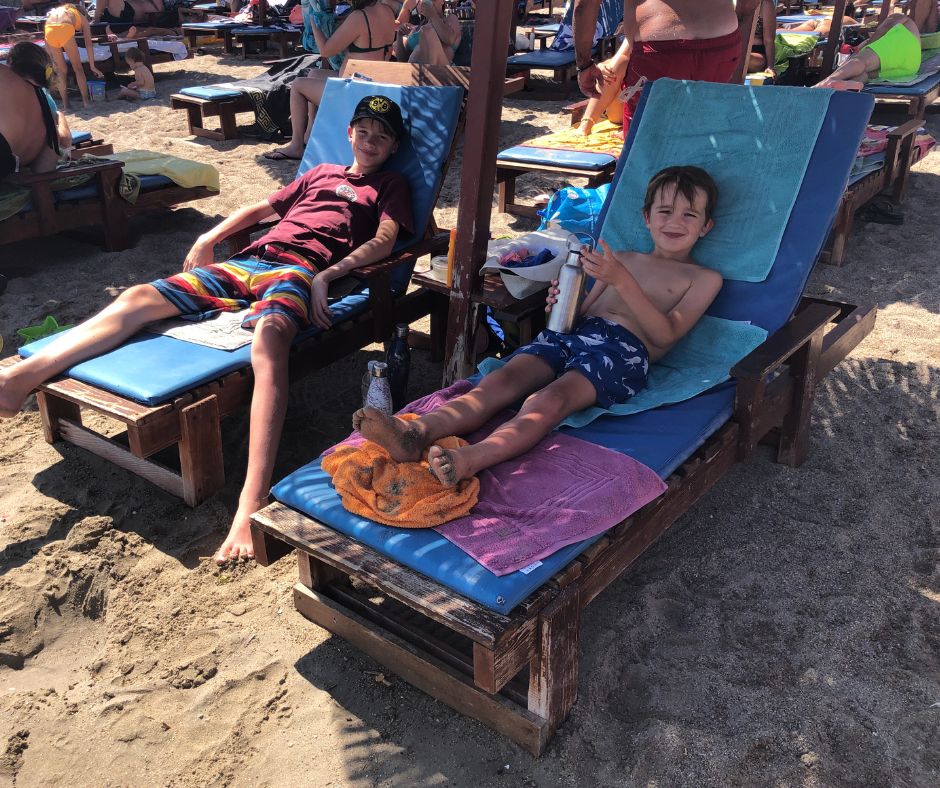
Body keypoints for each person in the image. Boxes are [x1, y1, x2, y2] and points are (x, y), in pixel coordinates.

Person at [0, 95, 414, 563]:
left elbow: (385, 239)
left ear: (394, 145)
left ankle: (250, 500)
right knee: (137, 297)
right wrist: (208, 236)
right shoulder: (319, 174)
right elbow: (261, 210)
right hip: (248, 261)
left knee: (271, 338)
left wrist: (329, 275)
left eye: (382, 136)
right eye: (364, 131)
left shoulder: (390, 184)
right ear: (349, 133)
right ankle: (19, 380)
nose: (371, 141)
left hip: (299, 271)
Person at [354, 165, 723, 487]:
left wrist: (623, 281)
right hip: (575, 335)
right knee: (501, 381)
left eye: (690, 215)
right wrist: (560, 306)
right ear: (646, 217)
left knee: (548, 400)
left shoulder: (703, 278)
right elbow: (578, 315)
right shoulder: (622, 258)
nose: (675, 222)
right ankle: (415, 433)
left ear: (706, 226)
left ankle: (472, 459)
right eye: (665, 210)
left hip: (623, 353)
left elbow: (665, 335)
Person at [572, 0, 757, 132]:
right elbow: (748, 5)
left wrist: (584, 64)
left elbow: (584, 6)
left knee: (645, 147)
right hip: (722, 38)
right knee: (707, 129)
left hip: (660, 44)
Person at [264, 0, 397, 161]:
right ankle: (310, 135)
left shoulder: (359, 16)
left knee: (298, 85)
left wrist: (313, 21)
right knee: (313, 73)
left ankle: (296, 145)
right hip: (374, 83)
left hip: (355, 90)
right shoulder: (387, 12)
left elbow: (326, 50)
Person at [1, 42, 69, 178]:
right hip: (9, 165)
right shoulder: (47, 110)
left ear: (11, 62)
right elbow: (44, 170)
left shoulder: (5, 76)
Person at [816, 13, 921, 87]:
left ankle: (825, 84)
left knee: (861, 61)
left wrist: (861, 51)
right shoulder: (898, 34)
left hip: (905, 43)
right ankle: (843, 88)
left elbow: (884, 28)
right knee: (865, 74)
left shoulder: (896, 17)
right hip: (911, 65)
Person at [43, 3, 104, 109]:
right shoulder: (82, 17)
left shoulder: (59, 11)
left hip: (49, 29)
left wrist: (51, 60)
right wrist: (92, 66)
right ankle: (86, 102)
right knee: (78, 69)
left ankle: (66, 104)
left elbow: (46, 41)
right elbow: (88, 43)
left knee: (61, 71)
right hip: (64, 28)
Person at [393, 0, 461, 65]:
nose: (430, 2)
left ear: (442, 1)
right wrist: (399, 36)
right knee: (398, 44)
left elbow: (449, 39)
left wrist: (433, 15)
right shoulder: (418, 28)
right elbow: (402, 59)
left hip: (442, 69)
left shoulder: (450, 19)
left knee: (427, 32)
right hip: (414, 68)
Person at [748, 0, 776, 75]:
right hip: (736, 50)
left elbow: (769, 40)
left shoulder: (765, 3)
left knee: (741, 57)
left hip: (757, 54)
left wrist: (770, 66)